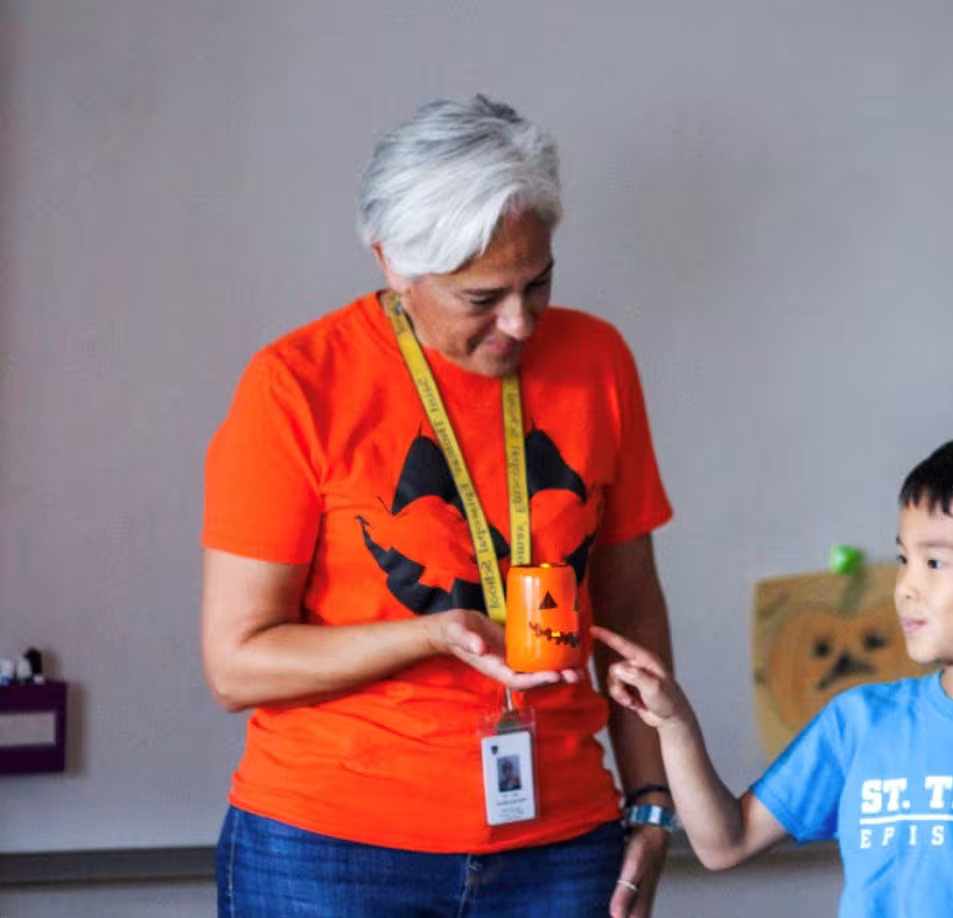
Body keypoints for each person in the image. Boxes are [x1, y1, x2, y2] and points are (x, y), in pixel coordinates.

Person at [202, 95, 677, 918]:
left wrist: (651, 799)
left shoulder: (598, 361)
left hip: (561, 847)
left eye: (539, 282)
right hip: (328, 853)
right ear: (393, 263)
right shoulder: (297, 386)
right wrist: (432, 634)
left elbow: (630, 608)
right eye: (481, 297)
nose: (521, 322)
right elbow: (238, 663)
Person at [597, 426, 953, 917]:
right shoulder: (860, 723)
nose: (906, 586)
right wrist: (675, 725)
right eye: (904, 558)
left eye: (935, 562)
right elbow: (724, 842)